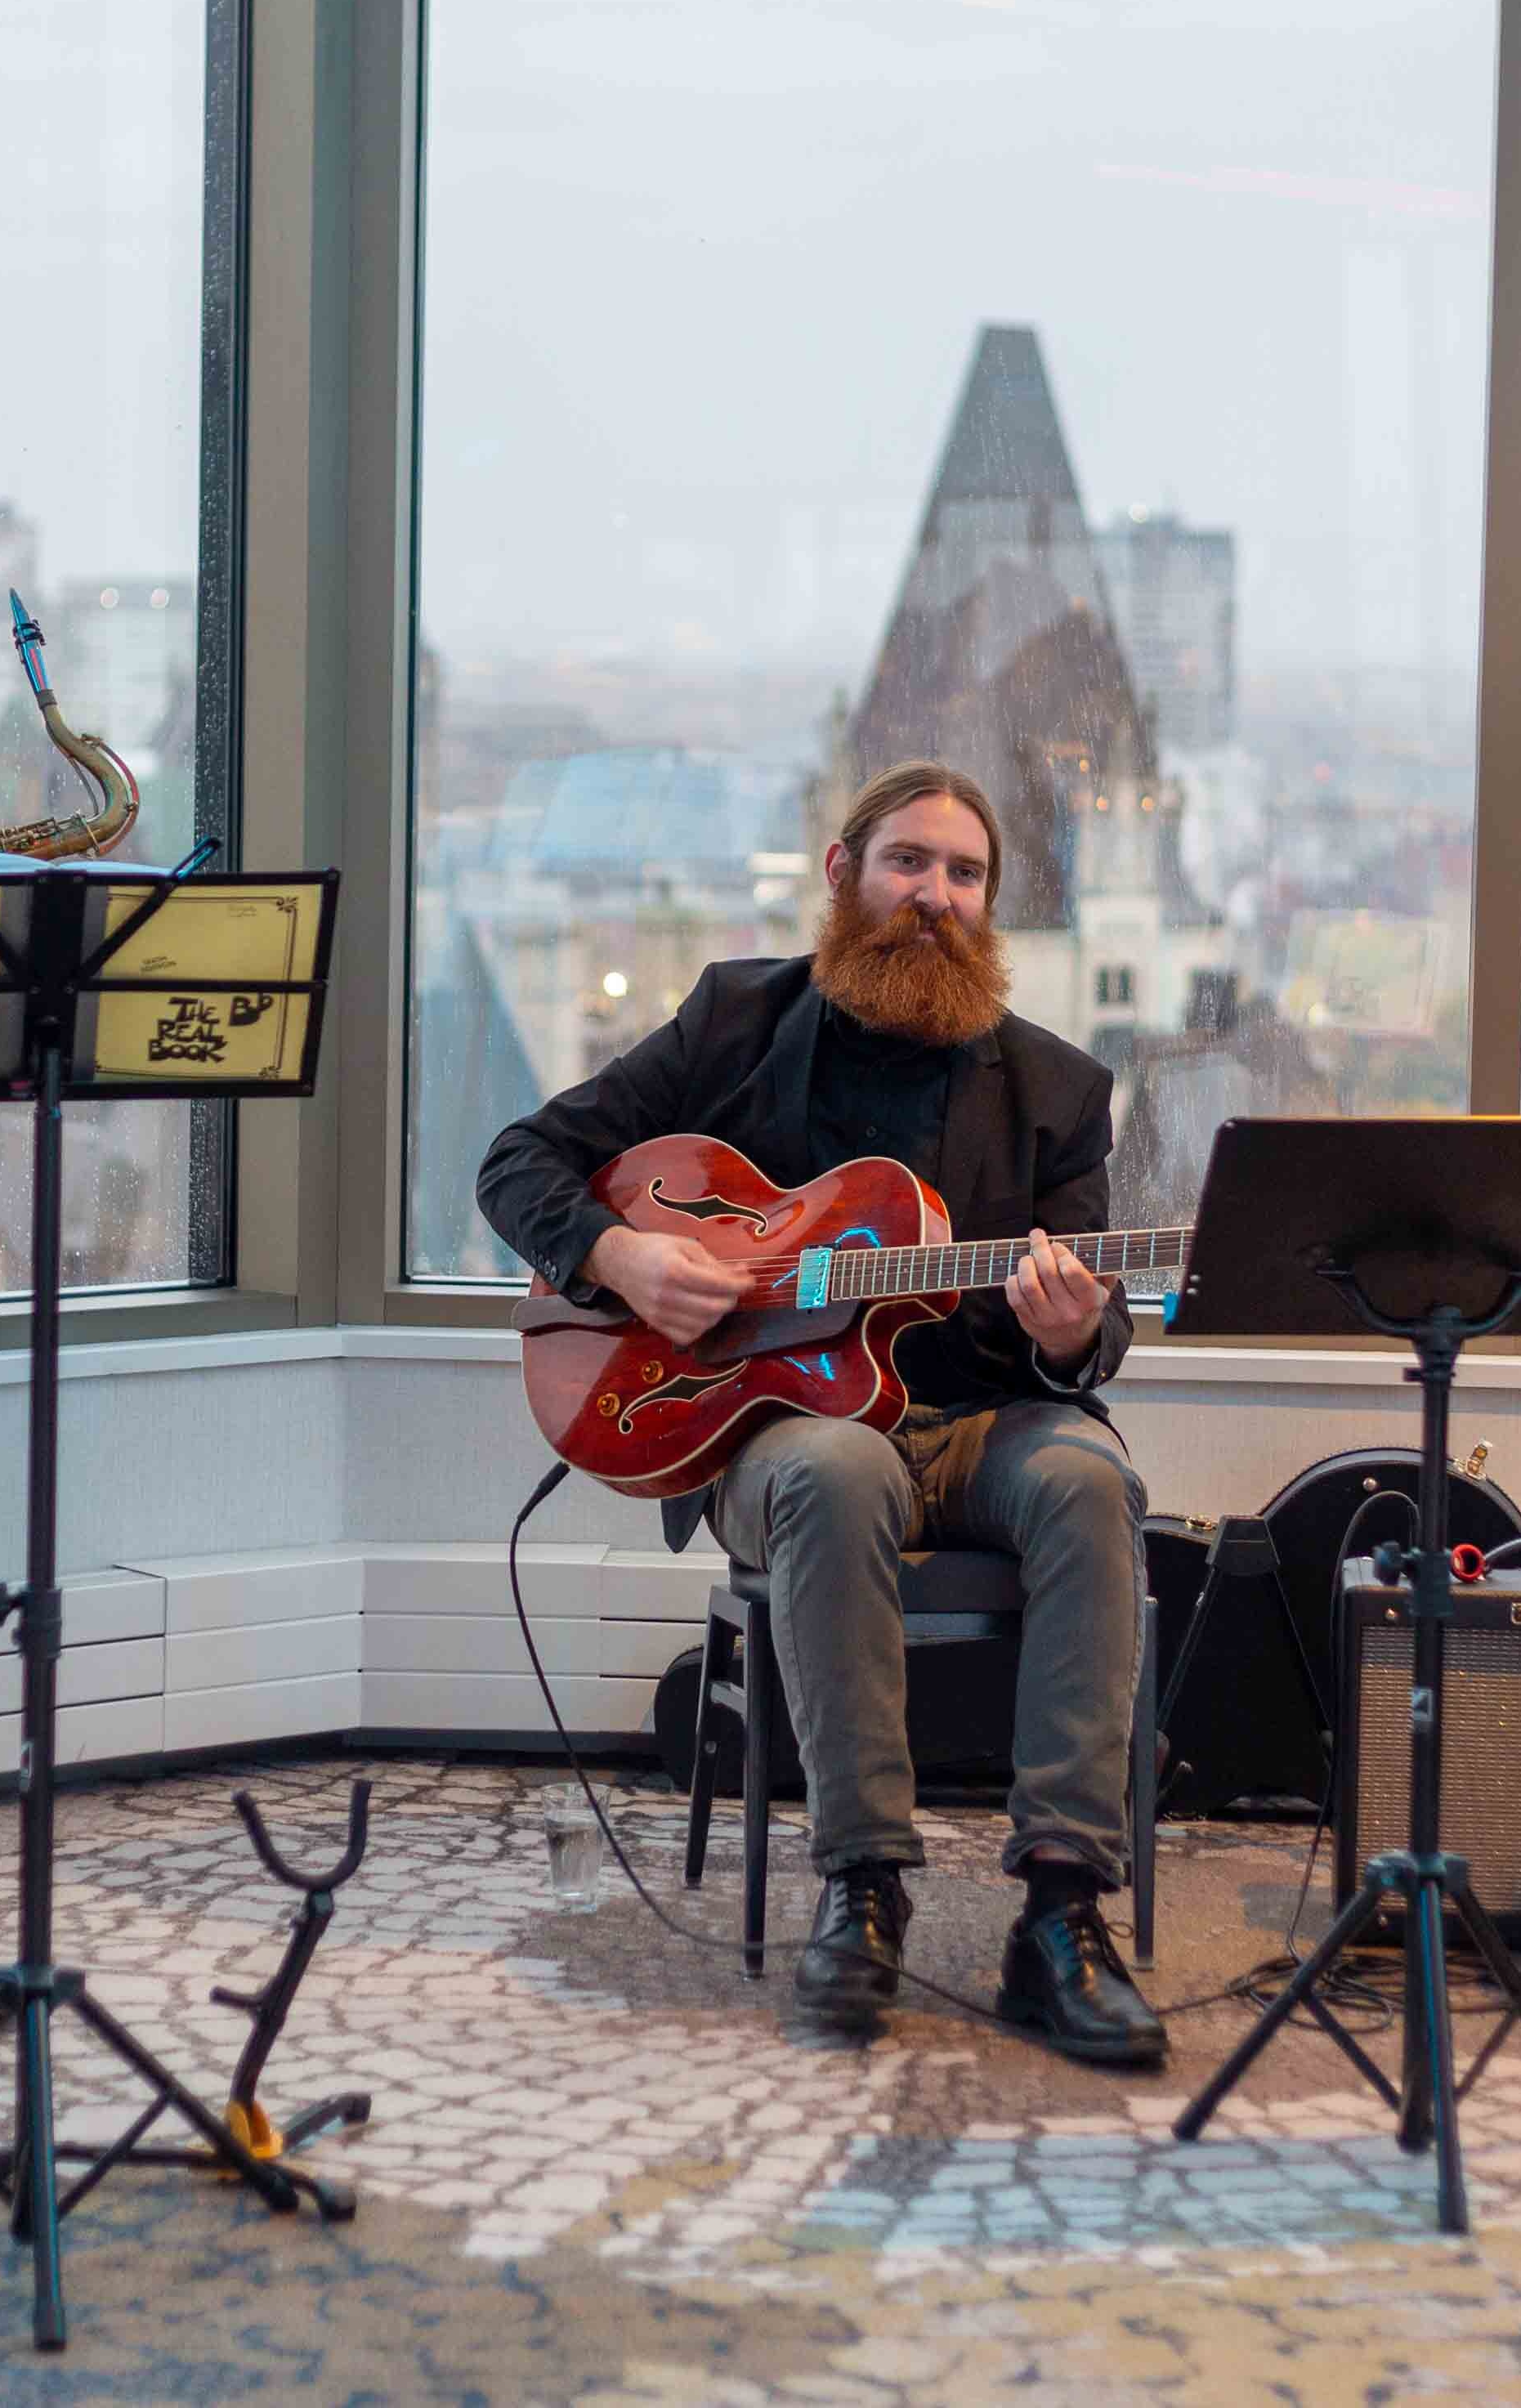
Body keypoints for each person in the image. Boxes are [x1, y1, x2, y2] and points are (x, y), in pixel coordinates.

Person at [477, 762, 1166, 2065]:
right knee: (837, 1470)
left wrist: (1077, 1331)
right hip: (769, 1427)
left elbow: (1095, 1323)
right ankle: (863, 1889)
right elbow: (519, 1159)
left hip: (984, 1423)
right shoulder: (736, 1021)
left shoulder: (1059, 1092)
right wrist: (622, 1261)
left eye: (966, 876)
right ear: (844, 873)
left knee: (1089, 1481)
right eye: (911, 862)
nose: (937, 897)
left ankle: (1064, 1915)